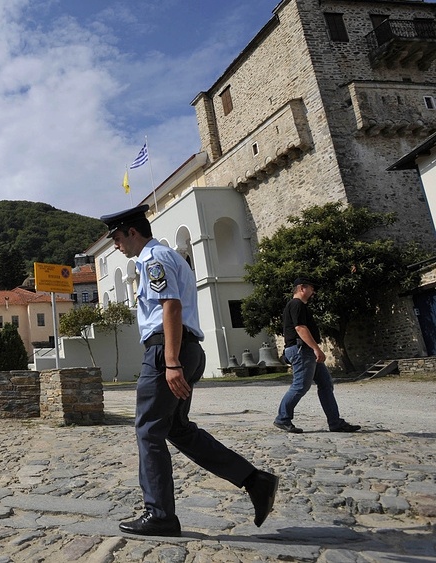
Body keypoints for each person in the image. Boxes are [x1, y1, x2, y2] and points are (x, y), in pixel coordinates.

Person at [102, 204, 277, 537]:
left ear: (133, 232)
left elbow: (170, 305)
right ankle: (255, 480)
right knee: (178, 429)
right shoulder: (160, 257)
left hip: (167, 349)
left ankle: (160, 515)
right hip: (184, 347)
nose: (115, 245)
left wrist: (169, 361)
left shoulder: (153, 259)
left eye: (117, 237)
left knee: (148, 430)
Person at [274, 277, 361, 434]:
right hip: (301, 350)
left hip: (305, 350)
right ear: (302, 288)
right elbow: (300, 328)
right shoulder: (296, 304)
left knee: (326, 384)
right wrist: (317, 349)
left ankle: (335, 423)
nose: (314, 292)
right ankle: (282, 418)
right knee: (300, 386)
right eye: (312, 288)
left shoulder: (299, 306)